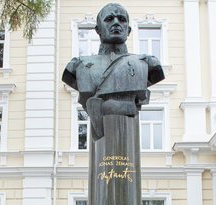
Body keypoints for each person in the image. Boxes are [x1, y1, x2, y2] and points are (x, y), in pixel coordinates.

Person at [62, 2, 165, 139]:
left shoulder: (147, 64)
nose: (116, 23)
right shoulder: (78, 65)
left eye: (122, 19)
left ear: (128, 30)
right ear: (98, 29)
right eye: (109, 19)